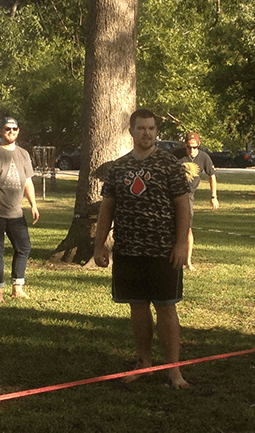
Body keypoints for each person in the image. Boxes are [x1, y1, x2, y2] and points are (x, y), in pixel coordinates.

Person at [94, 109, 192, 389]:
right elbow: (107, 208)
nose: (146, 133)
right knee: (137, 309)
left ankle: (174, 371)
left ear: (156, 131)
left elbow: (182, 205)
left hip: (163, 251)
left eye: (151, 128)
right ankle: (144, 363)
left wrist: (181, 243)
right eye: (141, 128)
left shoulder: (169, 164)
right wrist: (100, 244)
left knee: (166, 309)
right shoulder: (119, 167)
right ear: (131, 131)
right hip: (128, 251)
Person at [0, 117, 39, 304]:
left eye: (14, 129)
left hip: (16, 212)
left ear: (18, 131)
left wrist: (33, 204)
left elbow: (28, 181)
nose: (11, 131)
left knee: (24, 247)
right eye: (7, 128)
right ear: (0, 131)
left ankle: (17, 288)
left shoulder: (23, 154)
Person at [177, 132, 219, 270]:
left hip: (188, 196)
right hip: (172, 194)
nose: (191, 150)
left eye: (194, 147)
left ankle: (187, 261)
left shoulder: (204, 157)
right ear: (185, 145)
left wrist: (213, 197)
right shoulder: (176, 155)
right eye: (189, 147)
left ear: (199, 146)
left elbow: (212, 176)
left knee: (187, 227)